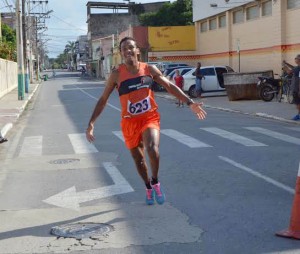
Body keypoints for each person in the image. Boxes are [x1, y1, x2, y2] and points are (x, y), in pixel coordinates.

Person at [86, 37, 207, 205]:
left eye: (130, 48)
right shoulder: (116, 74)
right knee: (139, 160)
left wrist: (189, 102)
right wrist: (92, 123)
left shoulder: (149, 69)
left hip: (149, 117)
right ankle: (148, 186)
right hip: (129, 123)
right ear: (121, 54)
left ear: (137, 51)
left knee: (152, 148)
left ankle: (156, 181)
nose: (128, 51)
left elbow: (169, 86)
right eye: (124, 49)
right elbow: (103, 99)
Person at [283, 54, 300, 121]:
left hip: (297, 88)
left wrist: (285, 67)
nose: (295, 59)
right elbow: (293, 68)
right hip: (297, 88)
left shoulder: (297, 69)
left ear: (299, 60)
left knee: (298, 103)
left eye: (296, 58)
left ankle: (299, 116)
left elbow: (289, 72)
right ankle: (298, 115)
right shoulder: (297, 68)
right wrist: (286, 63)